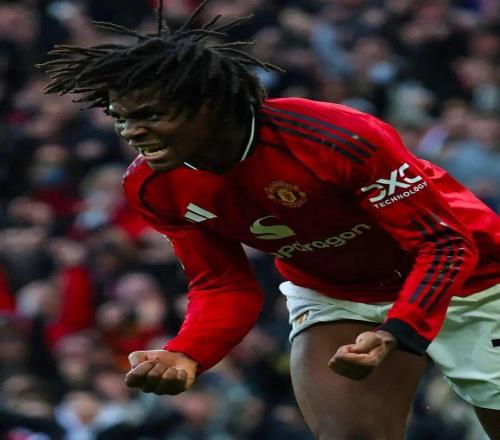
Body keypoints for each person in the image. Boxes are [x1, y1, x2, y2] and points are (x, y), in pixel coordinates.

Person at [38, 1, 500, 439]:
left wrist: (400, 330)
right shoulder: (153, 185)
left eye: (150, 115)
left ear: (207, 104)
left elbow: (444, 245)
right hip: (338, 293)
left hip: (471, 278)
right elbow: (222, 284)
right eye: (119, 118)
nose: (130, 131)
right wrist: (188, 352)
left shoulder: (337, 138)